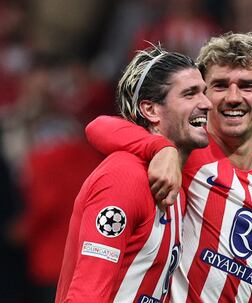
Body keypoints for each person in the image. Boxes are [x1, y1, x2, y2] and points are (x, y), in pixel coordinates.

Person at [86, 32, 252, 302]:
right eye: (219, 85)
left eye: (247, 86)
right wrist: (161, 149)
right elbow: (99, 127)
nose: (233, 97)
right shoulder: (189, 150)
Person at [55, 46, 212, 302]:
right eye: (189, 94)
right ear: (150, 110)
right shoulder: (124, 177)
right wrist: (161, 148)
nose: (206, 103)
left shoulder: (175, 187)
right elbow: (86, 295)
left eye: (204, 92)